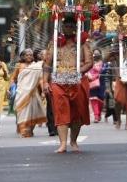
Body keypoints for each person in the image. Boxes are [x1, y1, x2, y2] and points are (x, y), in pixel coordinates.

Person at [43, 15, 93, 153]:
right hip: (58, 82)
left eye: (72, 26)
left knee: (77, 113)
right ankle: (63, 143)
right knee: (60, 112)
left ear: (75, 27)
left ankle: (73, 141)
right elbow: (47, 64)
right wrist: (45, 82)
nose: (69, 28)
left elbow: (89, 63)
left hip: (77, 81)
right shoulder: (54, 43)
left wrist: (77, 72)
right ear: (62, 27)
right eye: (66, 26)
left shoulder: (83, 43)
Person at [13, 48, 47, 137]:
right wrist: (11, 88)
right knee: (21, 111)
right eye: (27, 55)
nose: (29, 56)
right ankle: (23, 128)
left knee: (33, 112)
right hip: (21, 92)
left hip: (33, 92)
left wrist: (43, 91)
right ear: (23, 56)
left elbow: (40, 79)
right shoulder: (19, 66)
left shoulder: (36, 66)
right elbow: (14, 78)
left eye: (31, 55)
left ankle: (30, 129)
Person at [88, 49, 105, 123]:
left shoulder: (103, 63)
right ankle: (96, 116)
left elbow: (103, 71)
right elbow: (87, 70)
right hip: (91, 82)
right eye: (94, 53)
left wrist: (97, 70)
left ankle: (99, 113)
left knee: (100, 100)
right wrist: (89, 76)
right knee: (93, 100)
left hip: (101, 83)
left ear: (100, 54)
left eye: (97, 53)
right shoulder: (89, 63)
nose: (96, 55)